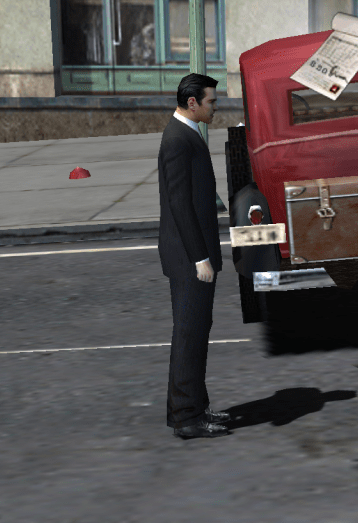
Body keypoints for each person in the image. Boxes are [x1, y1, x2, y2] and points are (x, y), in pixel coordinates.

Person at [159, 73, 232, 439]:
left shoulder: (187, 133)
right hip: (190, 259)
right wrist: (199, 257)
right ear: (193, 103)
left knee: (198, 334)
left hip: (195, 254)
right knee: (189, 336)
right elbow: (180, 205)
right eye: (211, 102)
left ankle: (197, 407)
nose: (215, 107)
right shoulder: (177, 140)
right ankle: (186, 418)